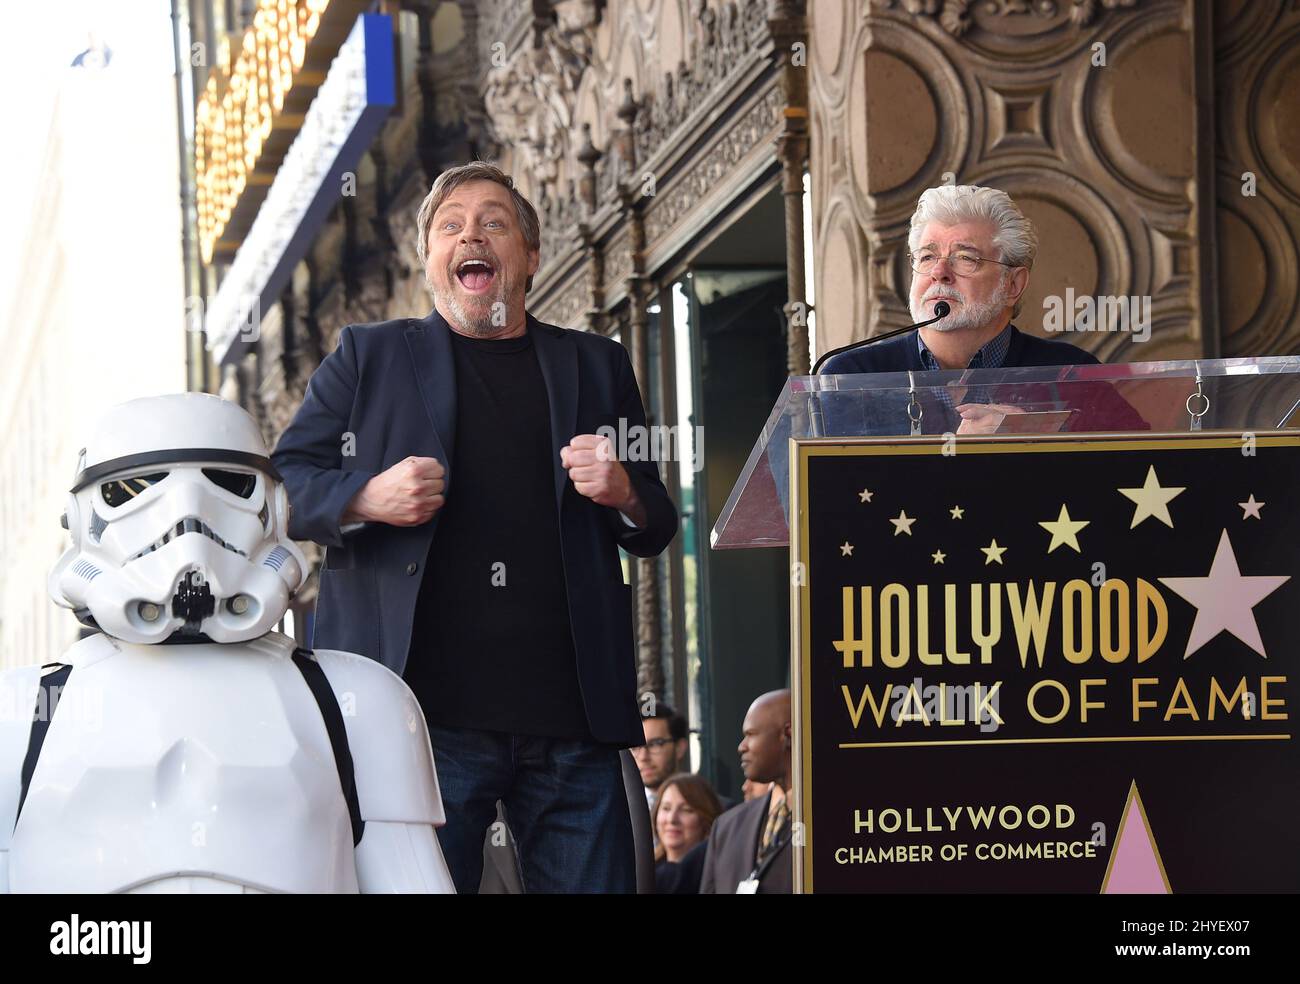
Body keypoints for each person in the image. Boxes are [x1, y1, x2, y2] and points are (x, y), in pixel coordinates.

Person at [271, 161, 678, 894]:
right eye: (451, 226)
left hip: (572, 720)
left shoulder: (595, 364)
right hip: (418, 720)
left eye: (494, 223)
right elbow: (279, 489)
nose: (472, 235)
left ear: (528, 254)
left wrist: (622, 489)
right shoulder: (369, 357)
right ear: (429, 260)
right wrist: (366, 497)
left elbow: (654, 522)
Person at [1, 394, 453, 893]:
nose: (189, 522)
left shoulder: (358, 702)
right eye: (136, 490)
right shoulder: (19, 713)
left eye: (227, 486)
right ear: (82, 519)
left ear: (276, 509)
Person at [818, 184, 1146, 434]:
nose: (939, 272)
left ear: (1013, 285)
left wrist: (1030, 434)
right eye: (927, 256)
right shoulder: (852, 379)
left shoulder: (1070, 372)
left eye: (965, 257)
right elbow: (822, 505)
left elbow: (1149, 471)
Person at [699, 690, 793, 894]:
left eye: (750, 735)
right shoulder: (725, 828)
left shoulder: (836, 822)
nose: (741, 747)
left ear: (788, 734)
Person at [652, 773, 722, 895]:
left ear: (707, 821)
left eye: (686, 810)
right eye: (666, 808)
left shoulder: (717, 878)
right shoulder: (642, 872)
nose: (672, 819)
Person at [634, 704, 689, 812]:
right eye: (635, 747)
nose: (643, 757)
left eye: (655, 744)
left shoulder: (711, 807)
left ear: (679, 748)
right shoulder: (616, 810)